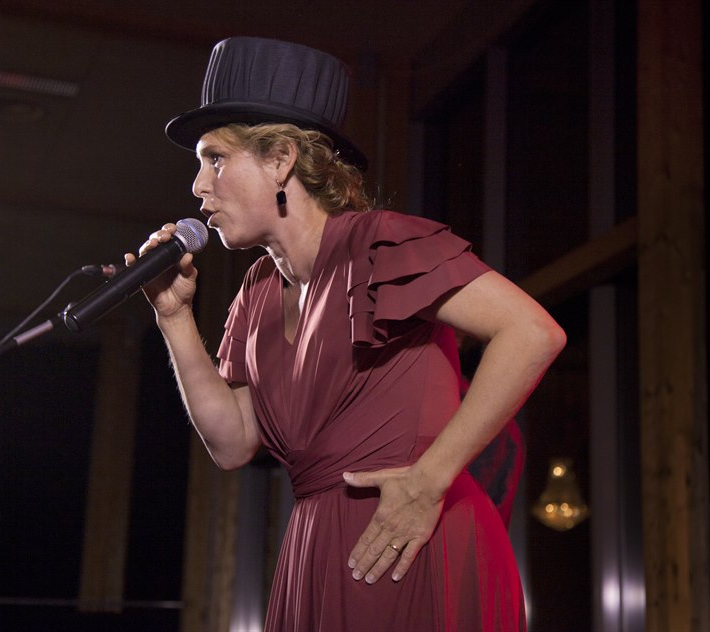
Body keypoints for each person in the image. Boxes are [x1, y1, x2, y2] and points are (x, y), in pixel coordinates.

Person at [127, 37, 566, 631]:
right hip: (317, 547)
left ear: (280, 160)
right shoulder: (258, 291)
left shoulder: (379, 243)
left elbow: (532, 331)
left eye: (216, 159)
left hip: (409, 538)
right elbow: (231, 444)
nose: (198, 186)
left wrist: (429, 481)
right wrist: (175, 317)